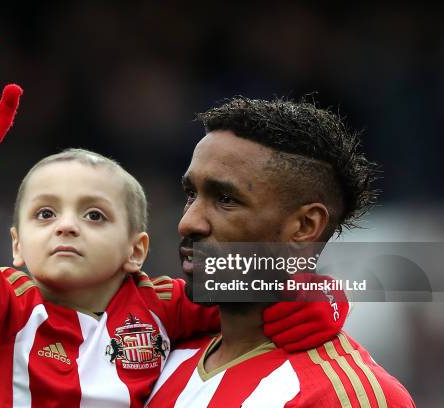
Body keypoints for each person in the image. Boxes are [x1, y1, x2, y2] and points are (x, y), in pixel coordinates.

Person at [0, 37, 350, 407]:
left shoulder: (159, 306)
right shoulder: (8, 311)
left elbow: (251, 296)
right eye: (45, 214)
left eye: (94, 215)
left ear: (135, 249)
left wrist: (314, 291)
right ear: (16, 246)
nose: (65, 227)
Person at [146, 97, 415, 407]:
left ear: (304, 226)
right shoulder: (150, 354)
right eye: (191, 194)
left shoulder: (349, 396)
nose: (187, 222)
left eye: (225, 199)